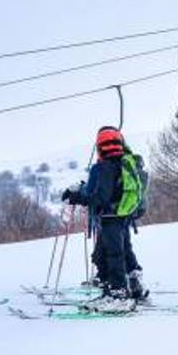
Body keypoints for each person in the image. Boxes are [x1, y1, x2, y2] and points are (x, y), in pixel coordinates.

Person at [61, 126, 143, 312]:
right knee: (120, 251)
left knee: (114, 254)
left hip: (110, 216)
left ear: (100, 146)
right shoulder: (121, 163)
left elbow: (100, 198)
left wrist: (77, 197)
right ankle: (119, 290)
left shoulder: (105, 167)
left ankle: (118, 295)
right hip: (121, 215)